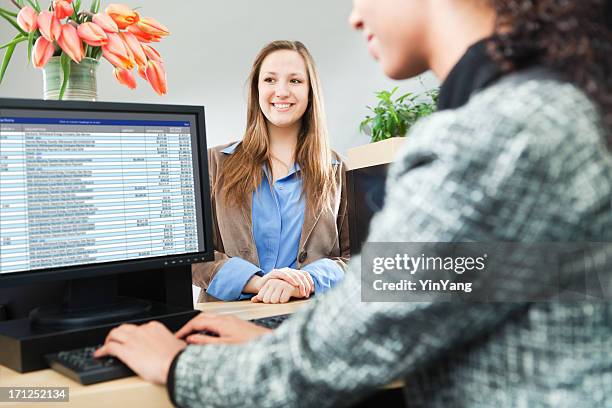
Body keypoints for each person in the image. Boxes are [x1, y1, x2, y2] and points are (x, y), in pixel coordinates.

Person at [95, 0, 612, 407]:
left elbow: (358, 337)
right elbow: (458, 282)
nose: (355, 14)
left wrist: (178, 365)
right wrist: (283, 334)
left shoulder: (496, 139)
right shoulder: (551, 112)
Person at [192, 40, 350, 303]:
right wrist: (257, 283)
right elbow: (192, 257)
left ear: (311, 91)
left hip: (309, 319)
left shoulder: (338, 170)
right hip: (229, 321)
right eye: (270, 80)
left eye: (295, 81)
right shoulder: (213, 162)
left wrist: (308, 280)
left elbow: (355, 258)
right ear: (256, 90)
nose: (282, 91)